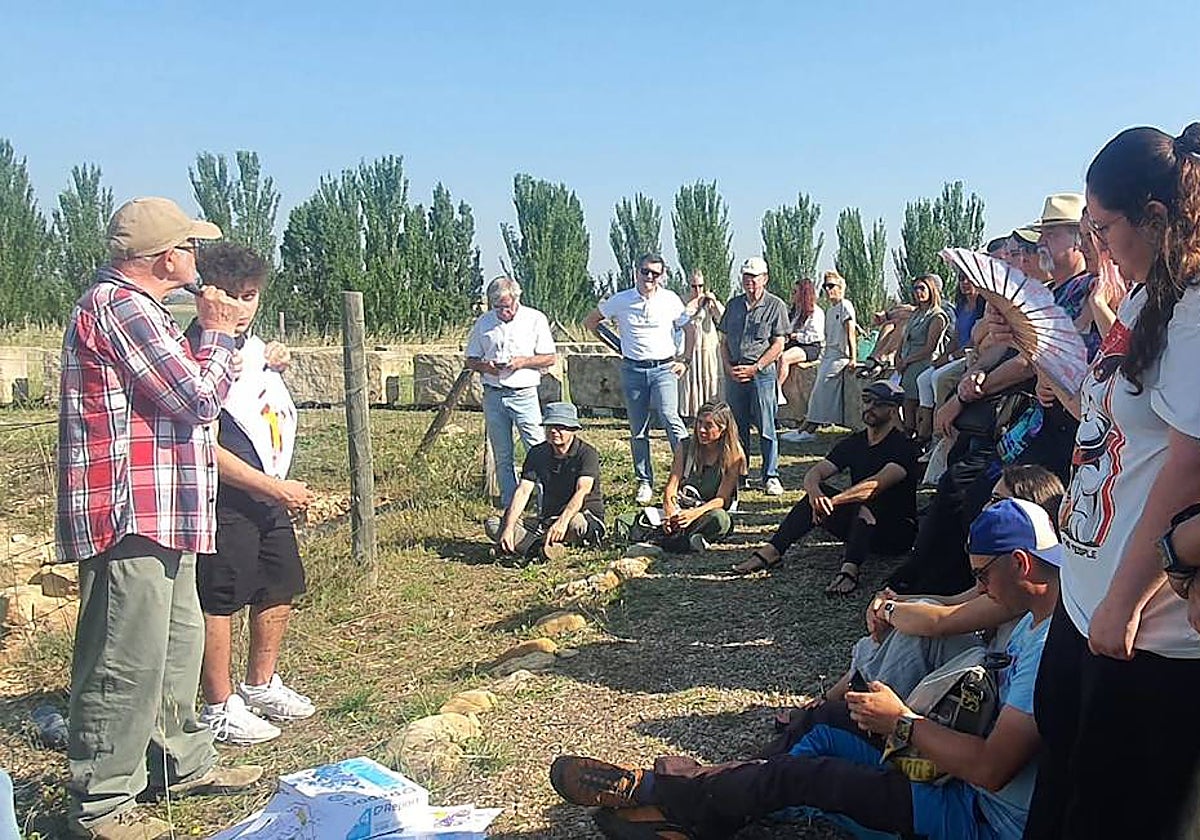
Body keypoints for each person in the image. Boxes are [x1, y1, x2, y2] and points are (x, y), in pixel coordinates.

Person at [549, 499, 1060, 840]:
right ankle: (690, 805)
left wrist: (903, 724)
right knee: (823, 722)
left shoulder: (1048, 646)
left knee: (806, 778)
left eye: (982, 576)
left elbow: (993, 770)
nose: (980, 589)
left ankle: (657, 794)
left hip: (976, 818)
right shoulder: (1032, 618)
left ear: (1020, 564)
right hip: (953, 777)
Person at [56, 197, 261, 839]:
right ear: (165, 256)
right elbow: (196, 397)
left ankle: (178, 765)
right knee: (124, 657)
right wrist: (221, 334)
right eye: (191, 247)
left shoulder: (146, 310)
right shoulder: (121, 308)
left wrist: (211, 334)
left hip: (167, 508)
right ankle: (101, 804)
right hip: (131, 512)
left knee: (175, 648)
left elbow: (183, 390)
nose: (199, 259)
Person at [1021, 124, 1200, 840]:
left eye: (1103, 227)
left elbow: (1189, 466)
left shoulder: (1193, 312)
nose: (1097, 244)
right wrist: (1042, 356)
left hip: (1141, 636)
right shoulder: (1146, 295)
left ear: (1155, 218)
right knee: (1063, 799)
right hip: (1088, 601)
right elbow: (1116, 430)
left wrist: (1123, 602)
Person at [181, 243, 315, 747]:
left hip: (269, 493)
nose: (241, 309)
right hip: (222, 496)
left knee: (279, 584)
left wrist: (273, 364)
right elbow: (204, 445)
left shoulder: (255, 348)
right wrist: (274, 488)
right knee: (220, 597)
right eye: (231, 297)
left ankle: (260, 683)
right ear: (206, 295)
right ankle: (217, 705)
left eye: (250, 296)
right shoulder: (193, 349)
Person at [805, 465, 1063, 707]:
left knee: (918, 630)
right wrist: (892, 600)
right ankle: (840, 701)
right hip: (990, 669)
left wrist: (888, 610)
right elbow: (952, 602)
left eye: (997, 500)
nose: (986, 505)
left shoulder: (1023, 586)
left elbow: (940, 621)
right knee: (915, 615)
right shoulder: (1019, 573)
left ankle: (848, 706)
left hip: (995, 685)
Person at [734, 380, 918, 596]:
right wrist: (815, 495)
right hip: (859, 526)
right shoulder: (855, 443)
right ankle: (774, 550)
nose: (869, 407)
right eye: (867, 401)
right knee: (818, 494)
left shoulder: (903, 447)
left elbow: (874, 486)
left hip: (897, 532)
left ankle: (850, 570)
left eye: (878, 404)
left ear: (893, 409)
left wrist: (833, 502)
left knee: (868, 503)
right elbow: (815, 473)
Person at [585, 254, 695, 505]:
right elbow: (591, 321)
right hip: (633, 369)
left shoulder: (670, 299)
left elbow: (690, 328)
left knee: (670, 417)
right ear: (636, 272)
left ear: (662, 275)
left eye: (655, 273)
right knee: (638, 428)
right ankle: (644, 480)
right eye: (645, 271)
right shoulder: (621, 300)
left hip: (664, 367)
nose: (649, 277)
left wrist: (685, 360)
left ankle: (685, 476)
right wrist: (618, 345)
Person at [465, 276, 557, 509]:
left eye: (507, 306)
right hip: (494, 392)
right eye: (498, 308)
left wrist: (523, 362)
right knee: (502, 452)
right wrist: (487, 366)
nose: (503, 312)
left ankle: (546, 498)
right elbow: (471, 359)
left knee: (536, 446)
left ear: (516, 298)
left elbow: (549, 357)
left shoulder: (535, 319)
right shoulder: (484, 323)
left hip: (523, 391)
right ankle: (509, 500)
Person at [485, 402, 605, 562]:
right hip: (547, 520)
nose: (554, 431)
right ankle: (542, 548)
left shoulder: (587, 454)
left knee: (576, 525)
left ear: (573, 430)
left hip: (581, 516)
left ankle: (530, 547)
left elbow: (582, 491)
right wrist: (508, 528)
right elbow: (523, 491)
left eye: (560, 427)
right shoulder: (537, 453)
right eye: (549, 426)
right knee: (494, 524)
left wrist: (562, 522)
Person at [718, 256, 791, 495]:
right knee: (736, 428)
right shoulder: (734, 305)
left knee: (766, 425)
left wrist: (757, 367)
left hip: (761, 373)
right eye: (746, 276)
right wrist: (728, 368)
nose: (749, 281)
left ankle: (770, 475)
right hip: (736, 372)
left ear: (765, 279)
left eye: (754, 277)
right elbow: (724, 341)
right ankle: (740, 473)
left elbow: (779, 343)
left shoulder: (775, 305)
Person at [652, 401, 745, 553]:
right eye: (699, 423)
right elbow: (671, 486)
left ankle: (685, 538)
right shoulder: (685, 447)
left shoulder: (734, 456)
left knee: (720, 519)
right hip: (681, 508)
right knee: (631, 520)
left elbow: (721, 500)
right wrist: (670, 513)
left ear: (722, 429)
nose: (701, 430)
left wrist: (693, 515)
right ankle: (680, 537)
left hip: (705, 512)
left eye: (708, 426)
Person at [784, 271, 857, 442]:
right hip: (828, 355)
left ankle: (810, 429)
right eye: (825, 286)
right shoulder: (831, 310)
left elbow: (850, 332)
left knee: (821, 391)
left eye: (831, 286)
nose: (828, 290)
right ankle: (805, 428)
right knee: (817, 392)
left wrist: (853, 357)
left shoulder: (845, 306)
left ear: (840, 287)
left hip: (839, 355)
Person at [896, 274, 950, 441]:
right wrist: (898, 356)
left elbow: (930, 347)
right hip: (907, 360)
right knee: (905, 401)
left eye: (922, 288)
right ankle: (906, 433)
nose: (918, 292)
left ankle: (921, 436)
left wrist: (907, 360)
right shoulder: (915, 314)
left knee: (918, 403)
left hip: (923, 362)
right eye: (916, 289)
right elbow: (904, 338)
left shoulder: (937, 316)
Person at [679, 270, 725, 418]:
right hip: (691, 344)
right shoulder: (683, 300)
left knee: (710, 375)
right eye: (694, 286)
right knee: (691, 378)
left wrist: (713, 302)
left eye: (700, 286)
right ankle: (691, 413)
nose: (698, 290)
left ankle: (712, 410)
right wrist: (695, 303)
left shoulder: (708, 300)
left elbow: (723, 319)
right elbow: (681, 317)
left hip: (708, 343)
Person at [776, 277, 823, 406]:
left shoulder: (816, 313)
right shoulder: (795, 312)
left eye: (795, 292)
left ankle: (777, 389)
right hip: (794, 343)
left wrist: (796, 336)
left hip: (809, 346)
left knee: (784, 358)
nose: (792, 295)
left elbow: (816, 336)